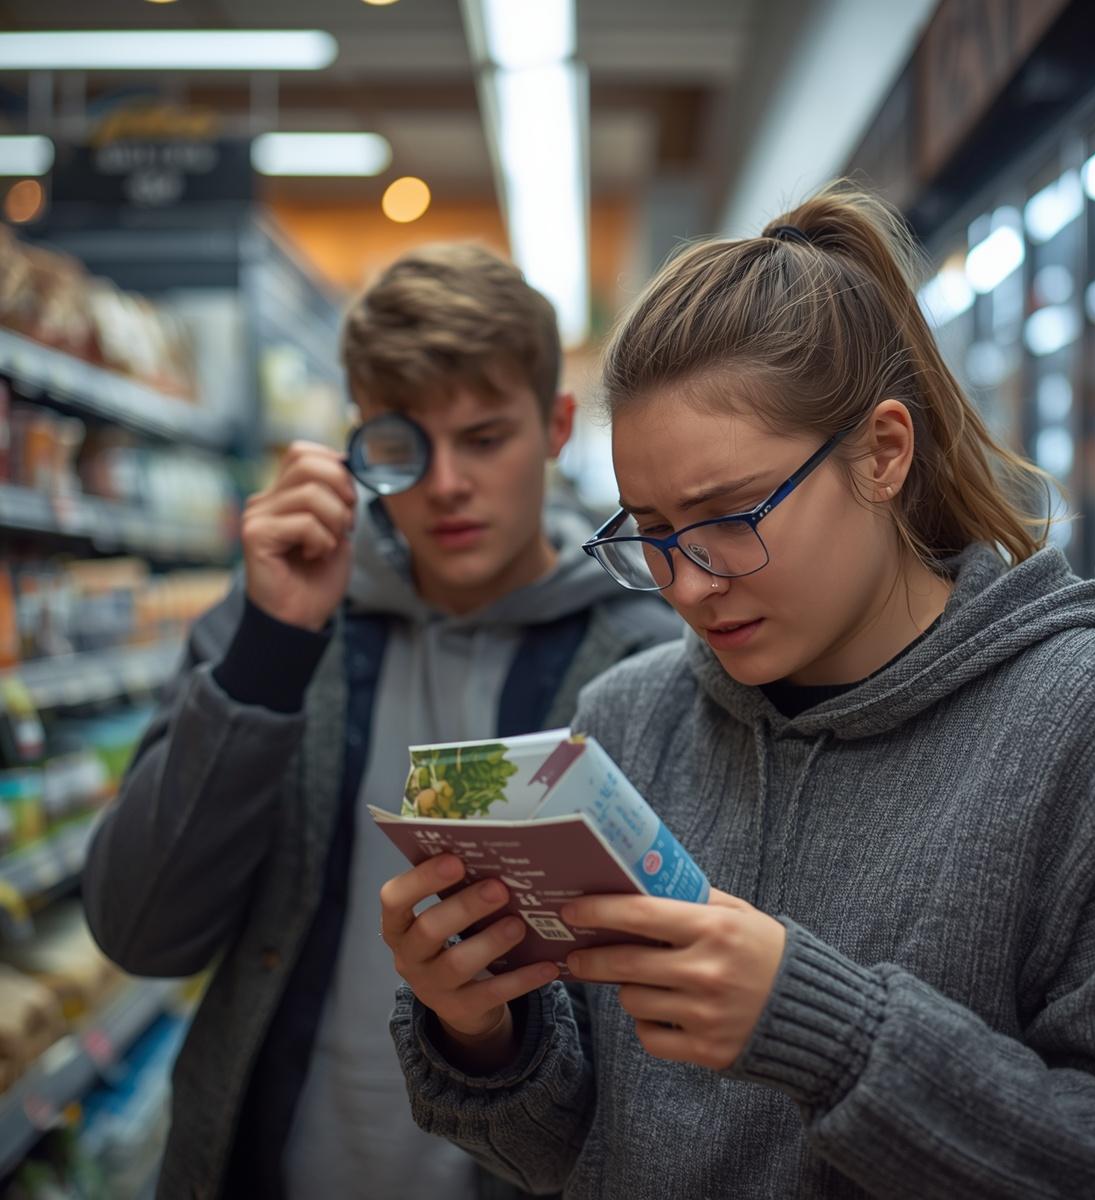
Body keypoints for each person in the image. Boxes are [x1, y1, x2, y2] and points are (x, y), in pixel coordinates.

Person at [381, 187, 1095, 1199]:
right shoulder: (628, 719)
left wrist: (831, 1033)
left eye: (728, 518)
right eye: (649, 533)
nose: (687, 584)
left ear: (883, 453)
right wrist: (479, 1030)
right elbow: (568, 1154)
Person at [81, 243, 680, 1199]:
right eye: (406, 445)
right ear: (359, 436)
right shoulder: (275, 622)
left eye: (486, 438)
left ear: (559, 426)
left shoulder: (647, 659)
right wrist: (271, 649)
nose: (444, 484)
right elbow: (141, 932)